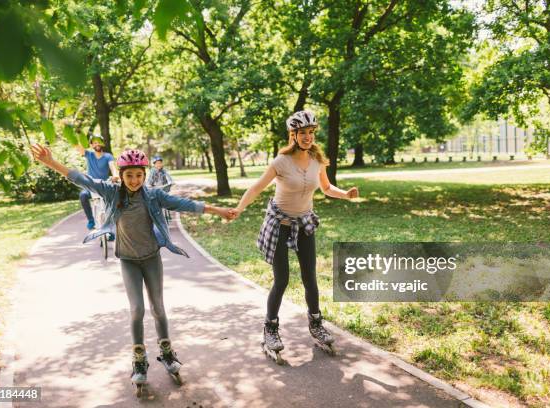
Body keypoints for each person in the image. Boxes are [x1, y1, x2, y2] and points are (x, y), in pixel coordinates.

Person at [30, 144, 235, 395]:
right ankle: (139, 357)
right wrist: (51, 162)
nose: (135, 180)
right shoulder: (111, 193)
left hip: (151, 259)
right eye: (129, 175)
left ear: (144, 174)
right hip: (128, 260)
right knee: (137, 309)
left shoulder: (153, 196)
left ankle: (167, 353)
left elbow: (184, 204)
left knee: (158, 308)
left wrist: (219, 210)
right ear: (121, 174)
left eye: (139, 175)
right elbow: (82, 179)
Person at [231, 110, 359, 362]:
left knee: (310, 277)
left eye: (311, 132)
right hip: (280, 224)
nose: (308, 137)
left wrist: (345, 194)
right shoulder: (280, 162)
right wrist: (238, 208)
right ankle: (270, 329)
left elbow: (326, 187)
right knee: (282, 280)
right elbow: (257, 187)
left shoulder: (317, 160)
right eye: (303, 133)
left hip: (304, 224)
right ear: (293, 135)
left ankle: (316, 324)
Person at [75, 135, 120, 231]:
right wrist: (71, 131)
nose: (97, 144)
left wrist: (115, 175)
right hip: (90, 185)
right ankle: (91, 220)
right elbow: (77, 146)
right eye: (94, 142)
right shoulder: (89, 154)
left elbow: (113, 167)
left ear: (102, 143)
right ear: (91, 145)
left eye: (99, 142)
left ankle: (109, 228)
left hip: (104, 185)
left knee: (110, 203)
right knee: (83, 195)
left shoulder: (108, 156)